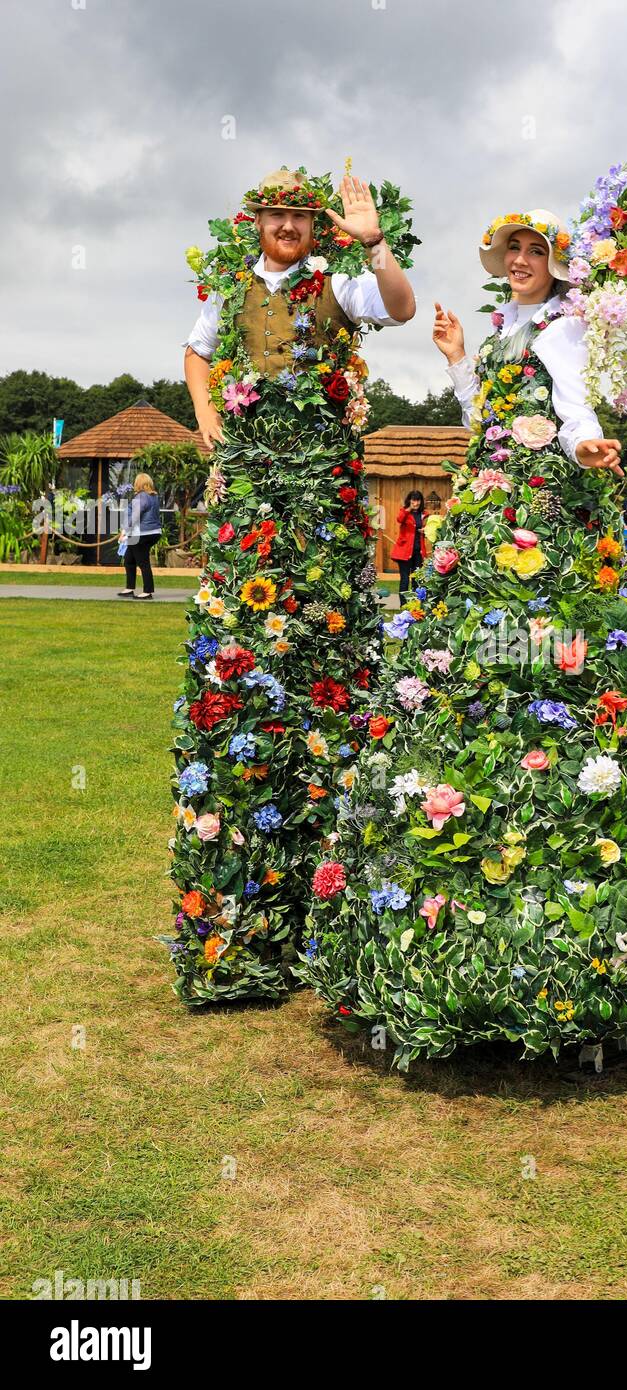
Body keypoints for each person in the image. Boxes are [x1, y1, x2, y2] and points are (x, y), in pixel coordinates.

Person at [303, 160, 627, 1067]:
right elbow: (485, 421)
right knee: (476, 672)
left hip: (548, 523)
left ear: (557, 259)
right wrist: (456, 364)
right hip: (492, 521)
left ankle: (587, 943)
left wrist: (588, 438)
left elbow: (574, 398)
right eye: (507, 247)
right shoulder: (507, 326)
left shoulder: (565, 326)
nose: (516, 258)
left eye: (531, 247)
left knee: (558, 667)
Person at [168, 165, 417, 1005]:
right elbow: (198, 354)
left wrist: (374, 241)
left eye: (300, 217)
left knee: (328, 636)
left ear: (316, 228)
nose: (286, 226)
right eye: (275, 214)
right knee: (240, 639)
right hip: (250, 480)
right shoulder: (230, 288)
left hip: (322, 487)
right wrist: (205, 414)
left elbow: (403, 305)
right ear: (258, 221)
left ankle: (333, 900)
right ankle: (240, 915)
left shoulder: (339, 283)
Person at [117, 472, 162, 600]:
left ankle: (148, 591)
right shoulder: (153, 497)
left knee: (143, 562)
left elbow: (135, 517)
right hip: (153, 533)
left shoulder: (141, 497)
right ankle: (129, 588)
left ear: (138, 484)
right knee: (129, 560)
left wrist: (124, 532)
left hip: (143, 534)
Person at [391, 489, 429, 598]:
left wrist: (425, 530)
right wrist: (409, 509)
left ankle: (416, 605)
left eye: (418, 500)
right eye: (413, 500)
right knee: (405, 579)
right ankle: (403, 605)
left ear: (421, 501)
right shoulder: (404, 512)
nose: (416, 503)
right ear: (409, 501)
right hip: (404, 553)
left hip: (418, 552)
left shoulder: (425, 515)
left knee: (416, 579)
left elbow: (429, 529)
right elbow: (399, 519)